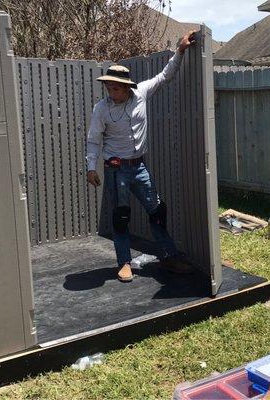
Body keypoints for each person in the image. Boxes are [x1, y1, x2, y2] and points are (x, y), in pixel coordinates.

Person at [86, 31, 196, 282]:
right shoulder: (101, 109)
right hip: (116, 169)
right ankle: (124, 262)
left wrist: (180, 50)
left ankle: (169, 257)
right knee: (121, 216)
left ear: (126, 87)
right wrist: (91, 168)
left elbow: (166, 75)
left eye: (114, 87)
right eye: (108, 87)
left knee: (157, 211)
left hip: (139, 168)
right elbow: (93, 140)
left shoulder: (143, 93)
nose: (110, 91)